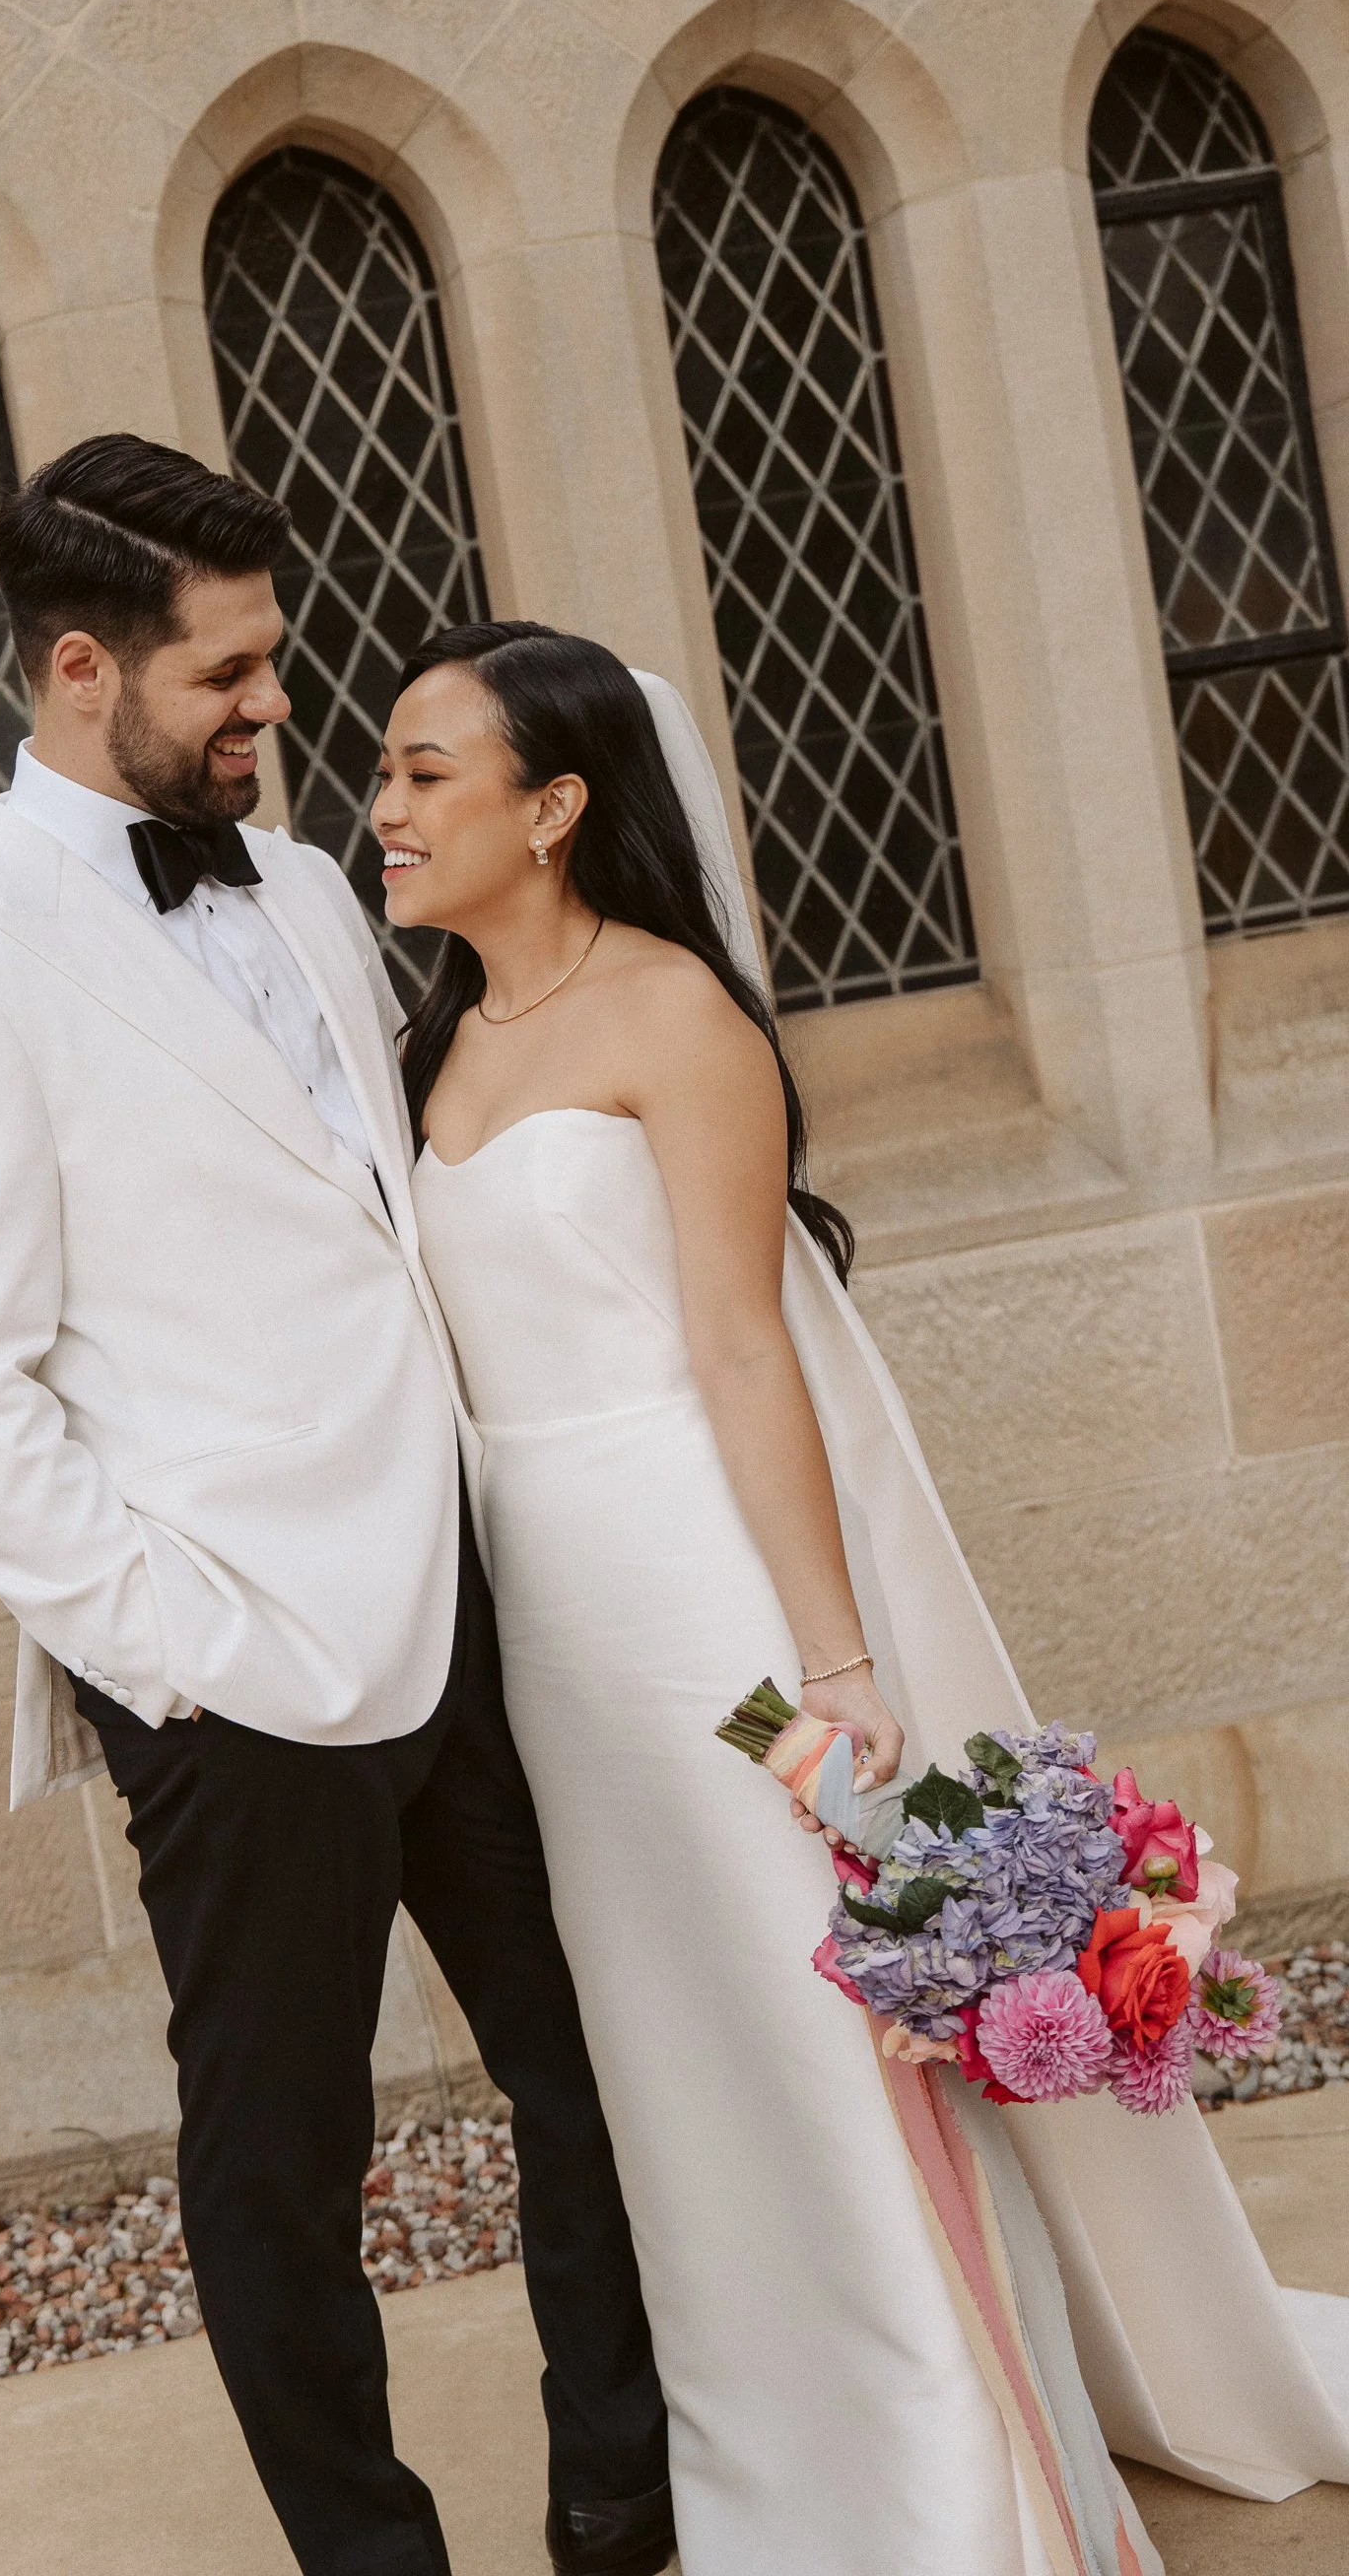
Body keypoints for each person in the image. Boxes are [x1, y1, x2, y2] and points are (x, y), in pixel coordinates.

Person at [377, 618, 1349, 2576]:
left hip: (708, 1623)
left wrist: (829, 1665)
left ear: (552, 809)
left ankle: (936, 2485)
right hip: (547, 1638)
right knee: (670, 2045)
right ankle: (779, 2450)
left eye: (421, 773)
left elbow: (748, 1353)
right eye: (386, 772)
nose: (380, 809)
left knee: (807, 2005)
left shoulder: (677, 1022)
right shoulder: (435, 1040)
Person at [0, 442, 671, 2576]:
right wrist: (173, 1652)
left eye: (275, 662)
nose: (273, 709)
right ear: (83, 666)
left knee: (597, 2071)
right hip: (232, 1670)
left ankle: (625, 2501)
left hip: (462, 1611)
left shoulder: (303, 885)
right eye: (229, 673)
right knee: (281, 2174)